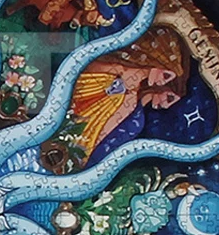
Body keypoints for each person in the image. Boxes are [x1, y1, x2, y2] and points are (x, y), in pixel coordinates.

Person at [69, 26, 190, 157]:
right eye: (166, 75)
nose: (161, 82)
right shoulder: (114, 65)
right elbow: (77, 74)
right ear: (158, 60)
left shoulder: (131, 102)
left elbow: (96, 135)